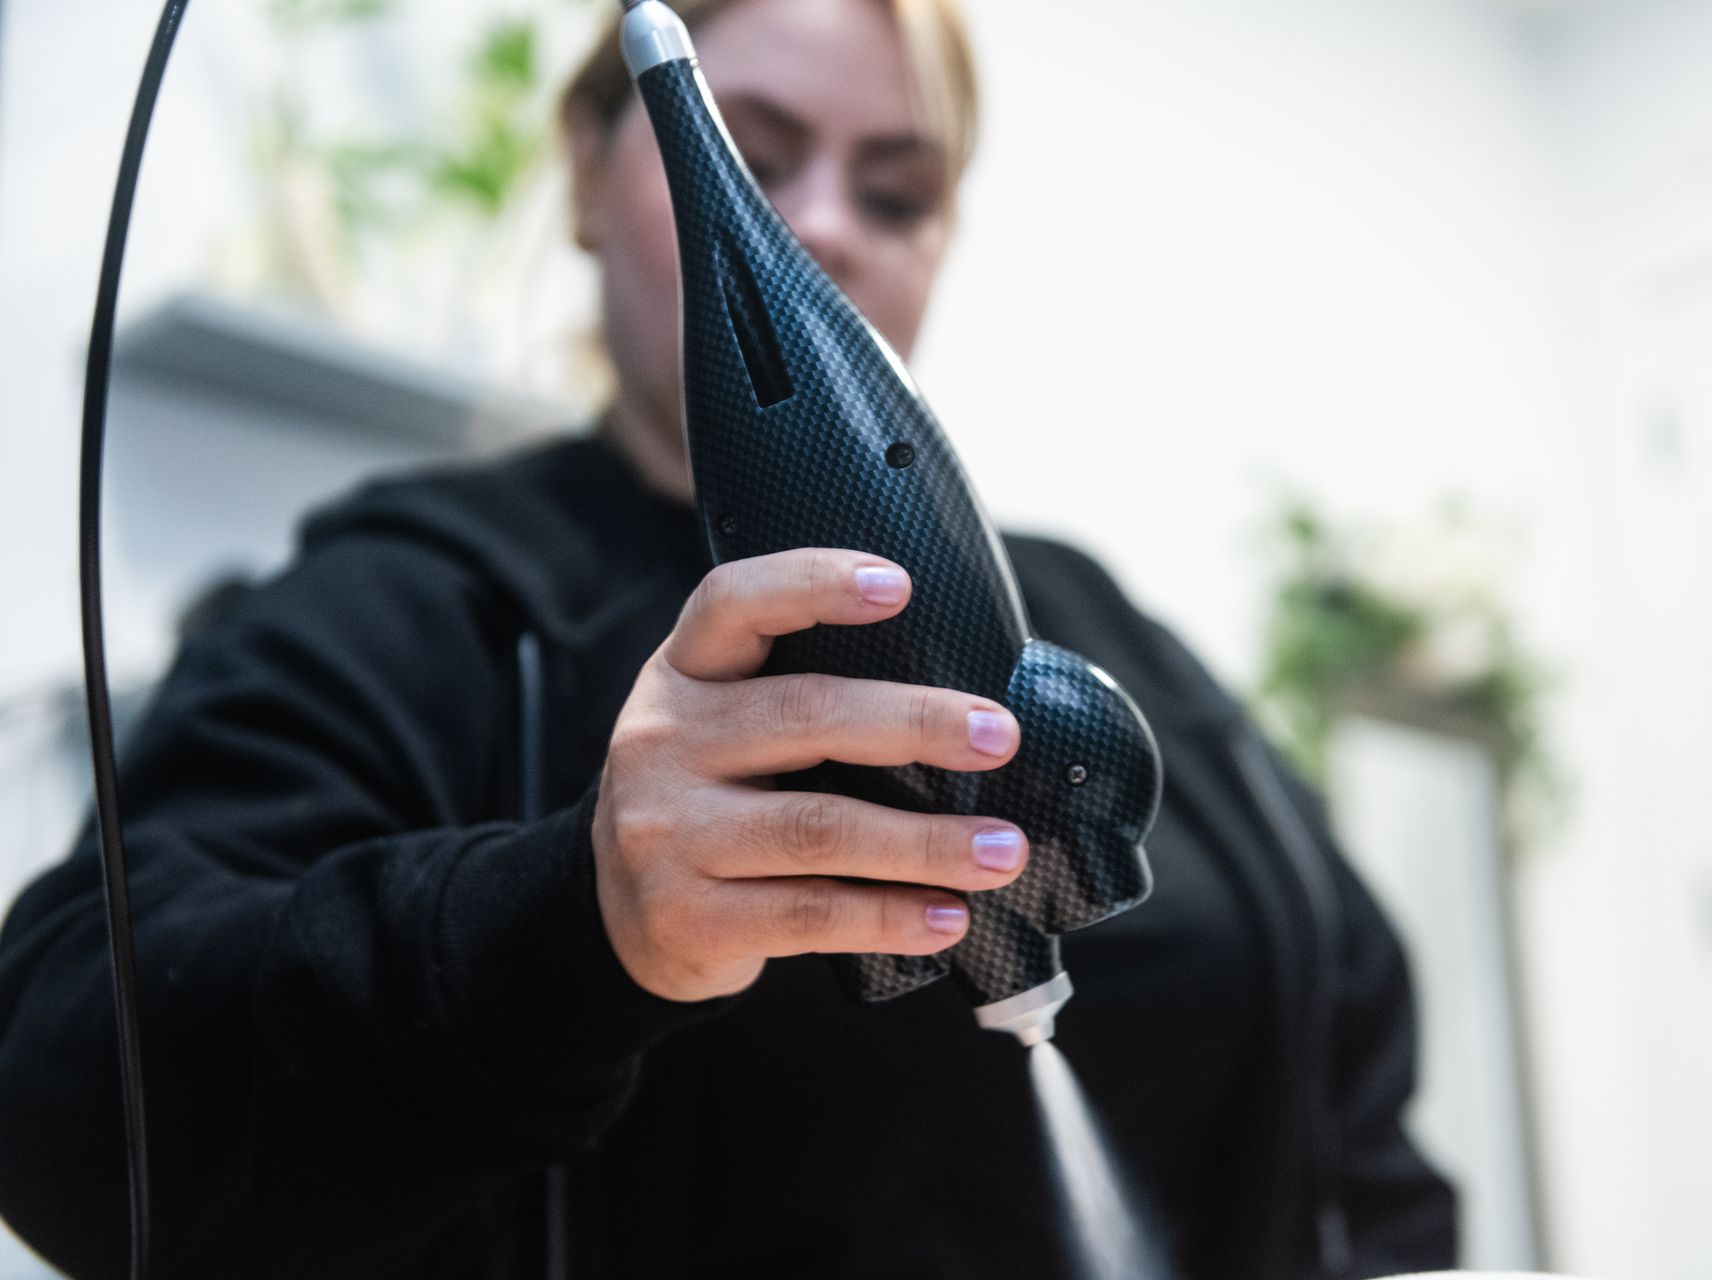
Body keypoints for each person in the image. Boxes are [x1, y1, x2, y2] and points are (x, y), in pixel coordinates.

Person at [0, 0, 1458, 1276]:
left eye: (895, 192)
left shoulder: (1096, 616)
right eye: (755, 165)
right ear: (586, 167)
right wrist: (572, 924)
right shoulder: (423, 603)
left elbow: (1354, 1081)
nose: (820, 228)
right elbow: (69, 1097)